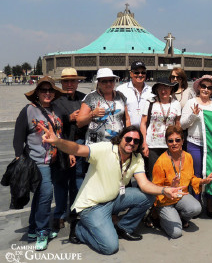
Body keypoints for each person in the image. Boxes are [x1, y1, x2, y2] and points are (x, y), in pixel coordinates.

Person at [41, 124, 185, 255]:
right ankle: (79, 228)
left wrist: (164, 190)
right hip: (93, 206)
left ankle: (124, 228)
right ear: (121, 138)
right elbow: (78, 149)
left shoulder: (136, 158)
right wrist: (57, 142)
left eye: (136, 141)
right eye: (128, 138)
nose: (131, 143)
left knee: (148, 196)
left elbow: (144, 184)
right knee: (110, 247)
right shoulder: (104, 148)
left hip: (114, 199)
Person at [13, 76, 66, 251]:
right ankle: (43, 231)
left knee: (39, 196)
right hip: (37, 161)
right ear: (37, 93)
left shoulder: (56, 110)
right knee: (45, 195)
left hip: (54, 160)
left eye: (50, 90)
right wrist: (18, 157)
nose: (47, 93)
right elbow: (18, 136)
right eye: (43, 90)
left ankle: (33, 228)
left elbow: (61, 133)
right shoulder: (29, 110)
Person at [152, 125, 212, 238]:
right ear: (166, 143)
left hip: (181, 195)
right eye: (170, 141)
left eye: (177, 140)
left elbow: (191, 178)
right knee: (176, 233)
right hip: (165, 200)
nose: (174, 143)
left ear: (183, 141)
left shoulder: (188, 157)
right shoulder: (160, 162)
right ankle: (159, 216)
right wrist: (169, 188)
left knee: (196, 208)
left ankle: (178, 217)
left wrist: (204, 181)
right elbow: (155, 188)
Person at [180, 75, 212, 217]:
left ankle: (210, 202)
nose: (205, 89)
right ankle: (196, 202)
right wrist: (193, 115)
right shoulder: (191, 102)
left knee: (211, 174)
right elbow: (182, 124)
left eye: (209, 87)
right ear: (199, 87)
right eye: (203, 86)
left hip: (211, 145)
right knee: (196, 174)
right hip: (194, 143)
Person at [51, 68, 87, 231]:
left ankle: (74, 210)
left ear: (78, 82)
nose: (70, 84)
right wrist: (68, 118)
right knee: (60, 182)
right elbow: (51, 121)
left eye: (73, 80)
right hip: (61, 144)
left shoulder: (83, 98)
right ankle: (59, 214)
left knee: (77, 180)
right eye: (66, 81)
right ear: (61, 82)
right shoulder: (55, 100)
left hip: (79, 143)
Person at [140, 77, 181, 180]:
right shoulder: (150, 102)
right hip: (153, 145)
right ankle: (153, 196)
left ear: (171, 89)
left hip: (170, 144)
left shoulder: (176, 104)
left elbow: (177, 124)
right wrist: (144, 143)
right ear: (157, 90)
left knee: (169, 174)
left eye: (166, 88)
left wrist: (179, 143)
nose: (163, 91)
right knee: (154, 175)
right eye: (161, 88)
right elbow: (143, 123)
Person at [77, 68, 130, 144]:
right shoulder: (91, 97)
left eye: (111, 80)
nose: (108, 84)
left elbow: (127, 119)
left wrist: (128, 137)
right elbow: (79, 122)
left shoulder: (120, 96)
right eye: (104, 81)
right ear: (98, 82)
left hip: (117, 142)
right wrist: (92, 114)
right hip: (96, 144)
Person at [116, 61, 153, 127]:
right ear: (131, 74)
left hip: (146, 132)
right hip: (127, 131)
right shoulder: (121, 90)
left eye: (143, 72)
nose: (140, 75)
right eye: (137, 72)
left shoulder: (151, 91)